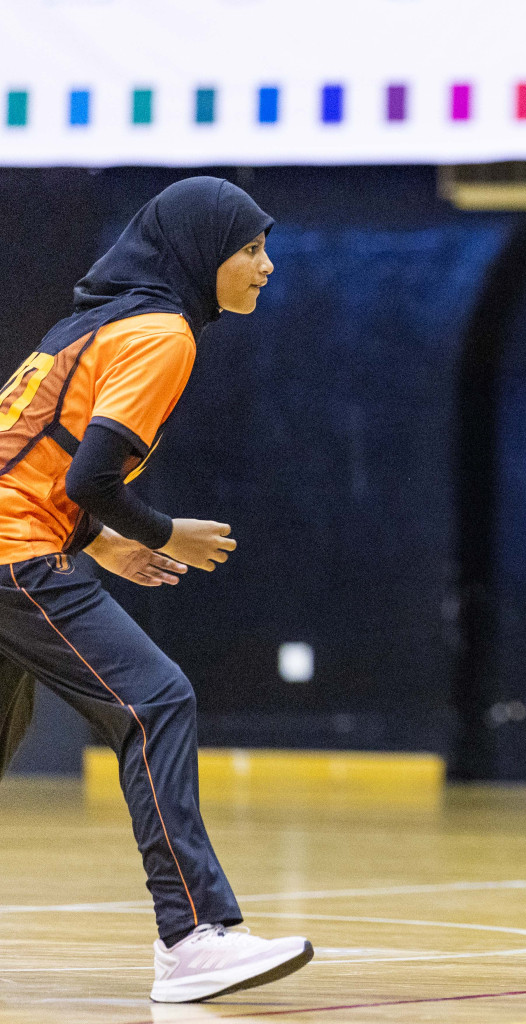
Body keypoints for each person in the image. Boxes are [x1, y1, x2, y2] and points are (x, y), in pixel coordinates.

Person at [0, 177, 313, 1002]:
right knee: (155, 703)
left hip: (20, 539)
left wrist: (99, 541)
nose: (266, 266)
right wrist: (161, 533)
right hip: (13, 554)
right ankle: (194, 937)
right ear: (202, 253)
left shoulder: (94, 322)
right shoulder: (161, 332)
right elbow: (92, 473)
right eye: (250, 249)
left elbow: (37, 457)